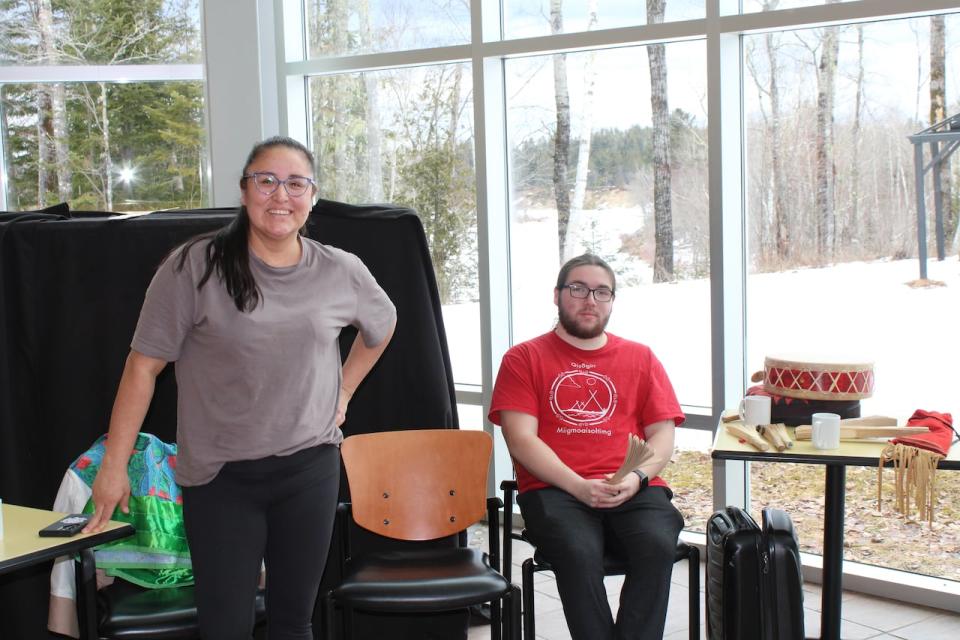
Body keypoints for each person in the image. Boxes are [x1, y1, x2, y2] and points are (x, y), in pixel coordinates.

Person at [83, 136, 397, 640]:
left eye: (296, 183)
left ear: (313, 196)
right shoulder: (194, 266)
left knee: (294, 623)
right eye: (266, 181)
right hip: (220, 480)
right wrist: (114, 467)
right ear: (245, 190)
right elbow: (142, 368)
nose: (280, 195)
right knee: (225, 627)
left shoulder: (340, 270)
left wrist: (342, 392)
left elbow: (383, 326)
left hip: (309, 470)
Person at [488, 253, 684, 640]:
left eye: (601, 292)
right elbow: (520, 438)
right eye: (578, 289)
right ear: (558, 295)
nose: (589, 300)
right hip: (555, 489)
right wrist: (578, 485)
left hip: (630, 485)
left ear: (612, 301)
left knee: (658, 543)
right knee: (577, 551)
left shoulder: (640, 357)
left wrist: (638, 478)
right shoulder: (523, 358)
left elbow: (663, 435)